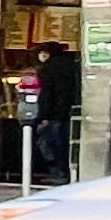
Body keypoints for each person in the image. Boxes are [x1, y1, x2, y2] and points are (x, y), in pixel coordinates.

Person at [31, 40, 84, 185]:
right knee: (65, 145)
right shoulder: (72, 66)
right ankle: (66, 172)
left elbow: (48, 95)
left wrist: (44, 116)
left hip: (55, 115)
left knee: (52, 144)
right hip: (68, 112)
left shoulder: (48, 69)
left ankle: (58, 172)